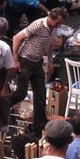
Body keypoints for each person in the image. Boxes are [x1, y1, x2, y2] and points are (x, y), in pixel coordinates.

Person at [13, 8, 67, 136]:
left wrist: (50, 61)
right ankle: (2, 106)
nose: (59, 26)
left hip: (36, 62)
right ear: (51, 18)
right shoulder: (37, 25)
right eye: (58, 22)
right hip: (25, 60)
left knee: (41, 95)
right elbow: (17, 38)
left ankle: (39, 128)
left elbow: (49, 43)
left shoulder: (52, 29)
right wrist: (15, 59)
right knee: (21, 93)